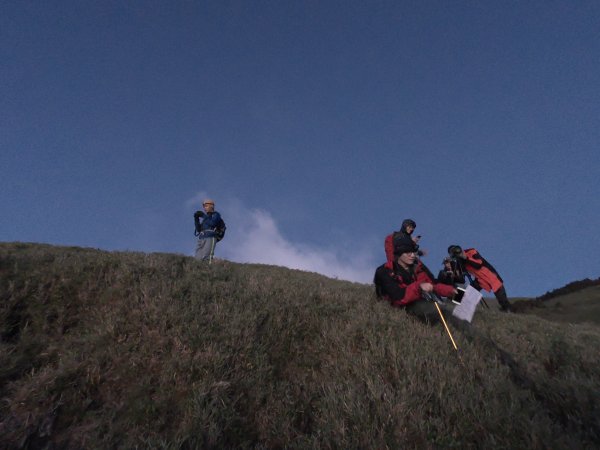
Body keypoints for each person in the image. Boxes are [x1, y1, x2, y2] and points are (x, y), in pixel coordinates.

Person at [374, 236, 458, 325]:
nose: (413, 255)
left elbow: (433, 285)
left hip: (417, 301)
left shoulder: (417, 268)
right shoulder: (384, 271)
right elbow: (398, 297)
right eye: (408, 252)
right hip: (396, 308)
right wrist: (419, 287)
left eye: (413, 252)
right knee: (436, 312)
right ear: (399, 254)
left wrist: (451, 291)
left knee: (455, 309)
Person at [447, 245, 512, 312]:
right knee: (469, 292)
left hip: (491, 276)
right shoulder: (459, 261)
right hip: (480, 279)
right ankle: (454, 303)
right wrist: (451, 267)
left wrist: (466, 258)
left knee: (501, 297)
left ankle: (509, 310)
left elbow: (478, 264)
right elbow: (461, 275)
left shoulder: (471, 251)